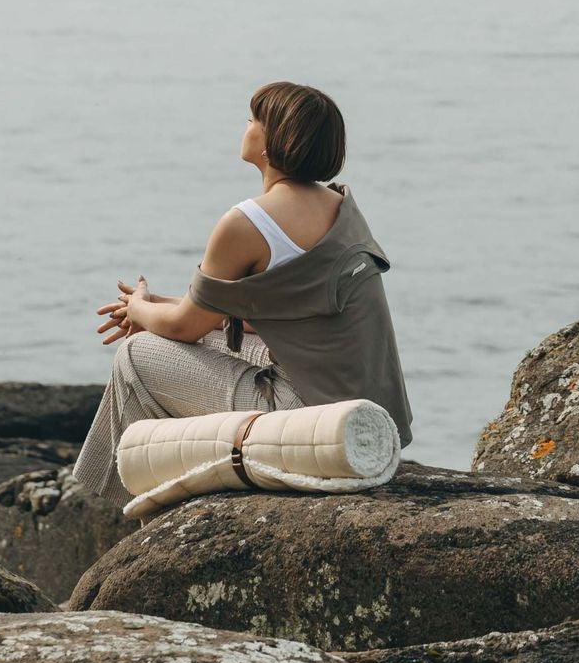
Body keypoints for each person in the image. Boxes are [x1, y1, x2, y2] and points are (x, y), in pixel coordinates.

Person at [71, 79, 413, 501]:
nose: (246, 125)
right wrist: (159, 304)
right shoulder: (340, 207)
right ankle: (138, 497)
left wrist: (141, 309)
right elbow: (276, 316)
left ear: (274, 141)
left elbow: (183, 327)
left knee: (137, 356)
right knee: (197, 338)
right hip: (368, 413)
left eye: (254, 119)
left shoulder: (248, 223)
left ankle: (114, 506)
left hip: (310, 418)